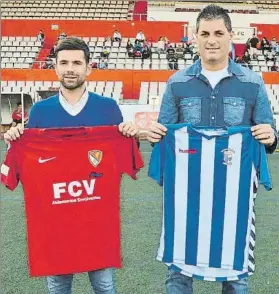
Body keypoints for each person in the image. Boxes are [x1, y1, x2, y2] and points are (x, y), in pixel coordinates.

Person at [146, 5, 277, 294]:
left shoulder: (252, 83)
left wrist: (271, 136)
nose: (212, 40)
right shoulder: (178, 82)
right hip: (187, 193)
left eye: (219, 33)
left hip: (235, 192)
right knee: (179, 270)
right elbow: (163, 132)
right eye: (204, 33)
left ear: (232, 36)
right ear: (195, 37)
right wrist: (155, 134)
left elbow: (268, 132)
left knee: (235, 271)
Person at [4, 37, 139, 294]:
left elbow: (125, 159)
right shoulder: (41, 111)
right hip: (55, 225)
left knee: (104, 286)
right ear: (54, 67)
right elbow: (31, 158)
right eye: (63, 62)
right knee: (58, 287)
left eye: (77, 62)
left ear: (88, 68)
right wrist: (15, 139)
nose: (70, 68)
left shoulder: (109, 108)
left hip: (96, 223)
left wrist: (128, 132)